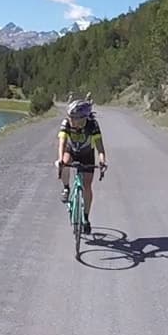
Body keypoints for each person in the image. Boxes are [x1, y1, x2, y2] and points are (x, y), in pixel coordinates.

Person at [55, 97, 108, 234]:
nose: (71, 120)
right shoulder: (66, 123)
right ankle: (66, 188)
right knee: (65, 162)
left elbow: (100, 148)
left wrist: (102, 162)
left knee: (87, 186)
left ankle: (85, 218)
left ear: (82, 118)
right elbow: (62, 142)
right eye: (70, 116)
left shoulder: (92, 125)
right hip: (70, 151)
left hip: (87, 155)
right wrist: (60, 160)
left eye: (74, 117)